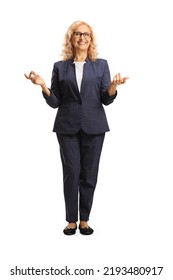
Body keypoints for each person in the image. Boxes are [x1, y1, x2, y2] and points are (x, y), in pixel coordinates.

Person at [25, 20, 129, 235]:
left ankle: (85, 220)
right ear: (70, 38)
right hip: (67, 126)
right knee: (72, 173)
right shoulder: (60, 67)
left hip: (95, 126)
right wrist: (43, 85)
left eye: (86, 35)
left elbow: (106, 99)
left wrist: (113, 87)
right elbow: (55, 102)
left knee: (89, 174)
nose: (82, 38)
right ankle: (71, 219)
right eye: (77, 34)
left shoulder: (101, 65)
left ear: (91, 40)